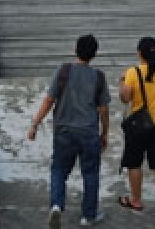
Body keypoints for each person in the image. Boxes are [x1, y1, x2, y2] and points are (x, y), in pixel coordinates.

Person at [28, 34, 111, 227]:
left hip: (64, 131)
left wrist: (35, 123)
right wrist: (105, 132)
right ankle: (88, 215)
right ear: (95, 55)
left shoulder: (63, 70)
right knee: (90, 173)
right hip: (89, 132)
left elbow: (49, 100)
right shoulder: (99, 77)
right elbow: (104, 109)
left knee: (59, 169)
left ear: (75, 50)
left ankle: (57, 205)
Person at [118, 36, 155, 222]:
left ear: (139, 53)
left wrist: (122, 82)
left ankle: (135, 200)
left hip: (139, 127)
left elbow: (125, 99)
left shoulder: (132, 72)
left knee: (134, 163)